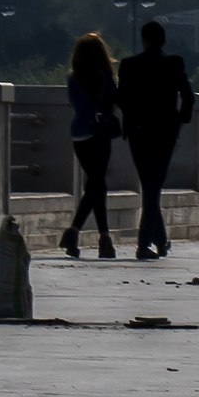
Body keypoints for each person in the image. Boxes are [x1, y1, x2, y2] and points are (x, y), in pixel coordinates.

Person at [118, 18, 195, 260]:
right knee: (154, 186)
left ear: (143, 40)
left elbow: (121, 98)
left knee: (149, 186)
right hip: (164, 132)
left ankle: (158, 242)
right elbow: (189, 96)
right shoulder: (174, 64)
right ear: (163, 41)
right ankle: (147, 243)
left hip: (139, 132)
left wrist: (133, 118)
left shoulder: (129, 65)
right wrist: (179, 122)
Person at [61, 32, 124, 260]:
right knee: (97, 184)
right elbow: (111, 102)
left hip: (82, 134)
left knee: (96, 184)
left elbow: (79, 106)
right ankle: (101, 238)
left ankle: (77, 233)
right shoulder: (104, 77)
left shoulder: (74, 78)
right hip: (97, 134)